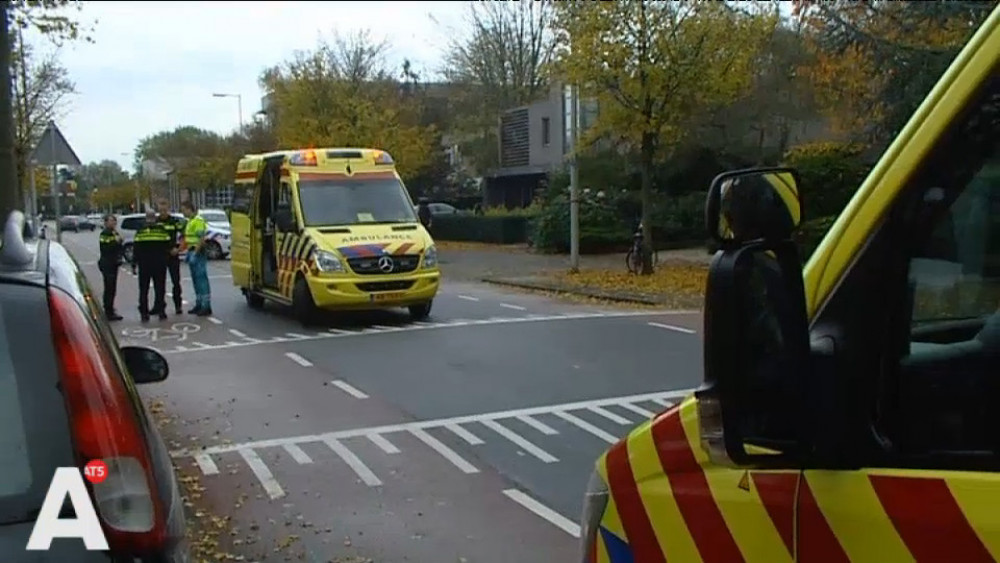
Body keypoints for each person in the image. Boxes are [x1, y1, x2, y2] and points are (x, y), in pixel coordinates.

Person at [133, 209, 172, 322]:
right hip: (159, 264)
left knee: (144, 289)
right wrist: (166, 259)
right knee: (160, 288)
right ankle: (161, 311)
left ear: (146, 218)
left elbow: (136, 248)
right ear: (155, 218)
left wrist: (134, 263)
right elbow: (167, 245)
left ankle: (144, 313)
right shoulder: (161, 230)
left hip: (144, 264)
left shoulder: (140, 231)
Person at [181, 201, 212, 316]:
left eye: (183, 209)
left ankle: (206, 305)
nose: (182, 212)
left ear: (189, 209)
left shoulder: (198, 221)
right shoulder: (191, 221)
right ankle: (199, 303)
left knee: (201, 280)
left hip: (197, 252)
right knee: (196, 280)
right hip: (192, 251)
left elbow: (201, 239)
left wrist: (195, 253)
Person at [156, 198, 185, 314]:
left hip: (172, 255)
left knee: (176, 282)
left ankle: (178, 305)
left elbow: (184, 235)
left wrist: (178, 249)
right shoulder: (156, 222)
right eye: (160, 206)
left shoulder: (174, 221)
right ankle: (161, 307)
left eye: (165, 206)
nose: (163, 209)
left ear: (168, 208)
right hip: (160, 255)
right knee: (160, 283)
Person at [97, 214, 124, 321]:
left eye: (114, 221)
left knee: (112, 288)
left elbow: (119, 246)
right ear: (106, 222)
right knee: (109, 287)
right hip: (107, 263)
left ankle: (110, 308)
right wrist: (116, 241)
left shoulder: (114, 232)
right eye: (111, 221)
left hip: (113, 263)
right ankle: (108, 311)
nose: (113, 223)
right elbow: (106, 247)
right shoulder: (105, 233)